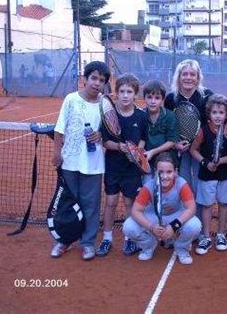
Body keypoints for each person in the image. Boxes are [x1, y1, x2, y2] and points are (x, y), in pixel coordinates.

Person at [51, 61, 110, 261]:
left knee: (91, 205)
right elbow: (60, 128)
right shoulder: (71, 99)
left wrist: (100, 135)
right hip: (69, 162)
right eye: (94, 78)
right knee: (67, 204)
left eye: (101, 80)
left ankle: (87, 243)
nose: (97, 83)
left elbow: (111, 130)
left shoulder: (105, 103)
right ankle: (65, 240)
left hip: (94, 164)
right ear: (84, 79)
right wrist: (57, 152)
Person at [96, 74, 148, 258]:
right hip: (113, 166)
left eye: (129, 92)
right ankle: (107, 238)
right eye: (122, 91)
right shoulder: (110, 114)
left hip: (132, 168)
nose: (125, 95)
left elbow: (143, 139)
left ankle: (129, 238)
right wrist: (119, 146)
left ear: (135, 94)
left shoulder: (141, 115)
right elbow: (105, 141)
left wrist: (135, 151)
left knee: (129, 203)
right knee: (110, 202)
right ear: (116, 93)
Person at [122, 152, 202, 265]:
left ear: (176, 171)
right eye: (161, 172)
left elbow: (191, 208)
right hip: (153, 217)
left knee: (195, 225)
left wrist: (174, 226)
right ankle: (148, 246)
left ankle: (181, 248)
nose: (165, 176)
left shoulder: (181, 184)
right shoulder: (148, 186)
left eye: (169, 172)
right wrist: (151, 227)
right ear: (155, 172)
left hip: (175, 215)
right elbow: (135, 211)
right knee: (128, 227)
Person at [190, 94, 227, 255]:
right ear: (209, 113)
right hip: (206, 174)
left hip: (225, 174)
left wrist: (219, 161)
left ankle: (222, 235)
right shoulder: (202, 130)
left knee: (223, 204)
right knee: (207, 205)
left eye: (221, 113)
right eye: (215, 112)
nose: (218, 116)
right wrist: (205, 162)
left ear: (226, 114)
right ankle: (206, 236)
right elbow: (193, 150)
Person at [164, 59, 213, 193]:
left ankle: (199, 213)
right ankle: (186, 212)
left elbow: (216, 119)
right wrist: (175, 144)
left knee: (200, 184)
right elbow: (167, 126)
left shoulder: (207, 96)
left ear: (198, 77)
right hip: (181, 149)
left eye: (192, 74)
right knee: (184, 183)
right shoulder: (170, 99)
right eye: (184, 74)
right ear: (178, 77)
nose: (188, 78)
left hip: (201, 149)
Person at [142, 80, 178, 185]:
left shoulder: (170, 116)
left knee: (168, 191)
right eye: (149, 97)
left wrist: (153, 151)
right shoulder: (140, 115)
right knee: (148, 190)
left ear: (162, 100)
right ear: (144, 98)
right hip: (147, 163)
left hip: (167, 163)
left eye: (157, 98)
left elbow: (172, 141)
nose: (153, 101)